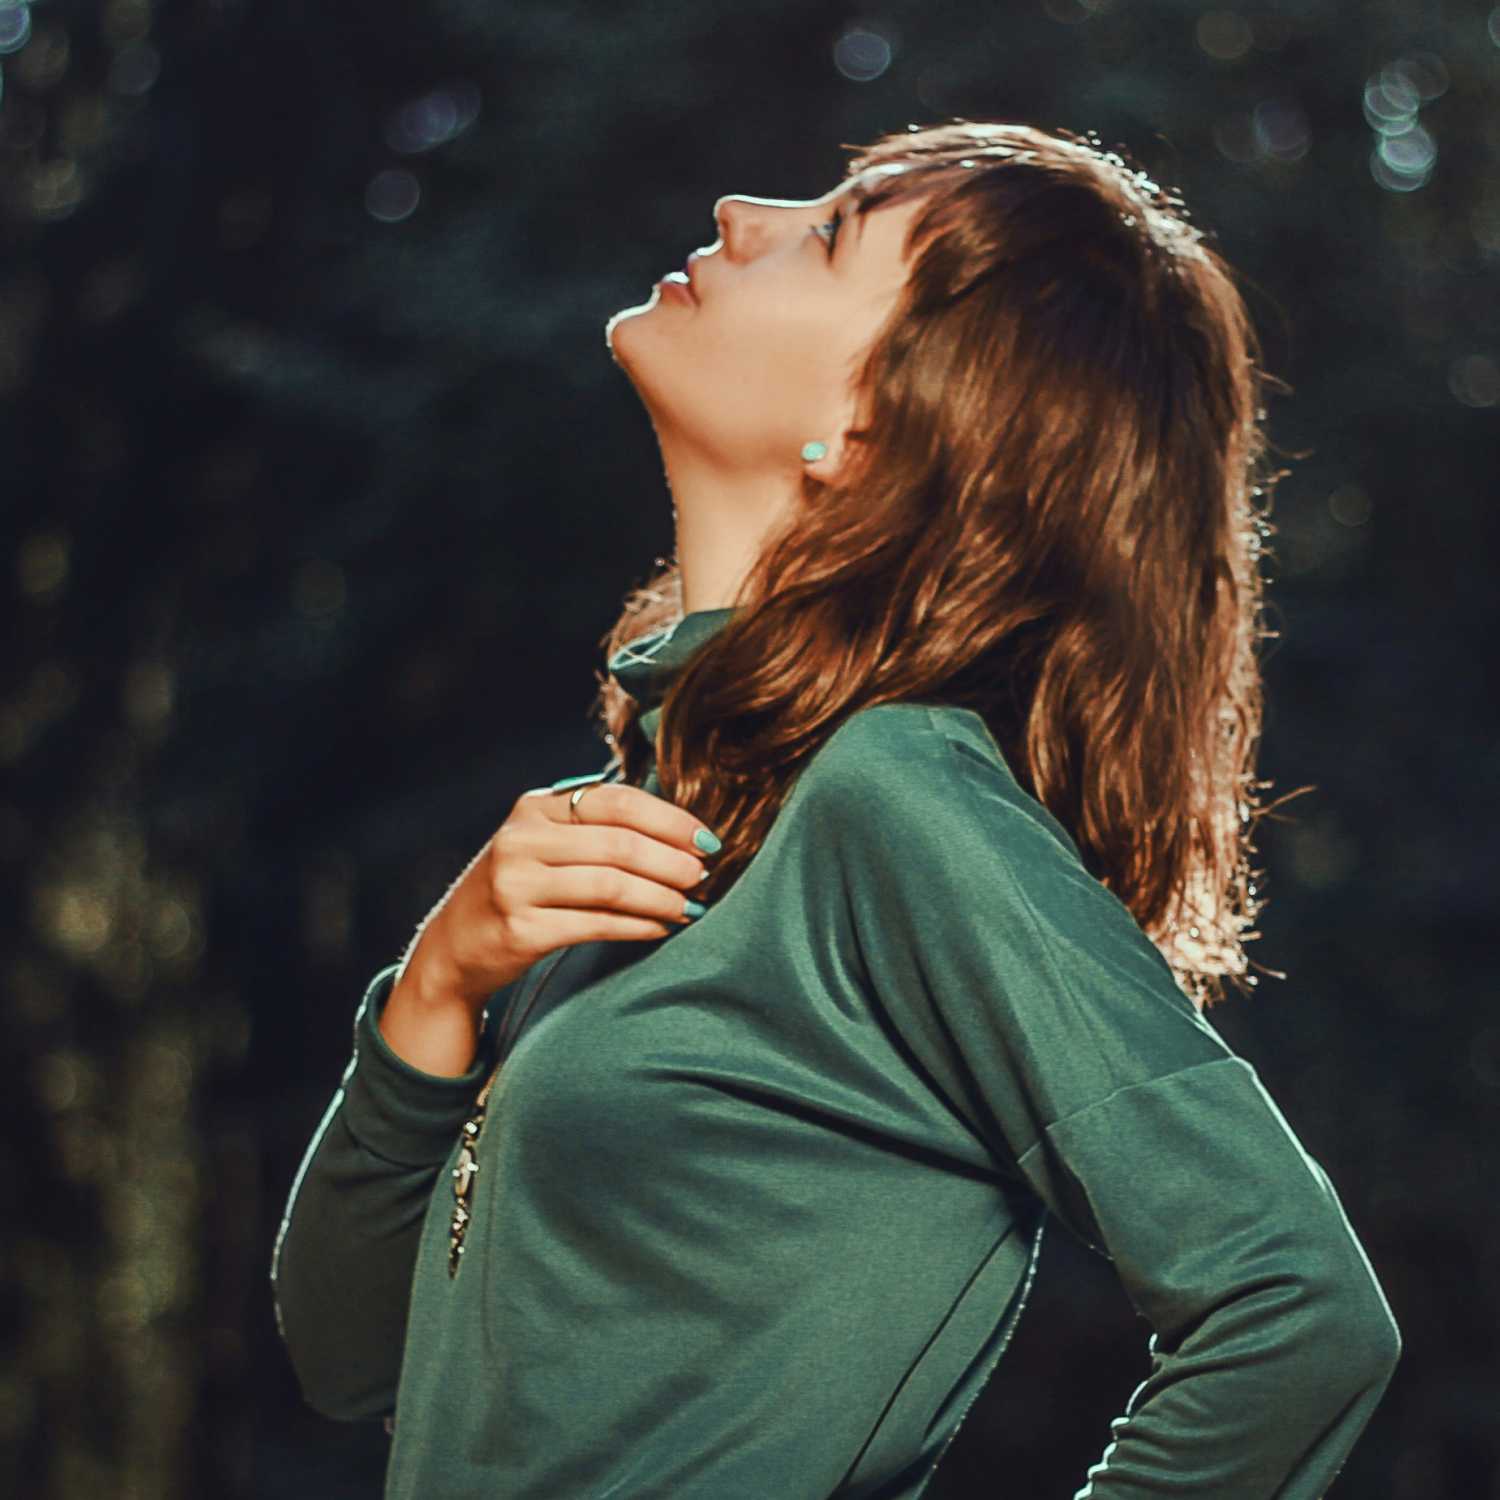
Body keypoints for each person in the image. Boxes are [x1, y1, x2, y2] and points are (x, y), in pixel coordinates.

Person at [270, 119, 1402, 1498]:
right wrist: (436, 989)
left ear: (872, 428)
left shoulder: (894, 797)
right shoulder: (631, 828)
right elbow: (351, 1357)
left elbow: (1297, 1309)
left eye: (828, 230)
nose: (741, 205)